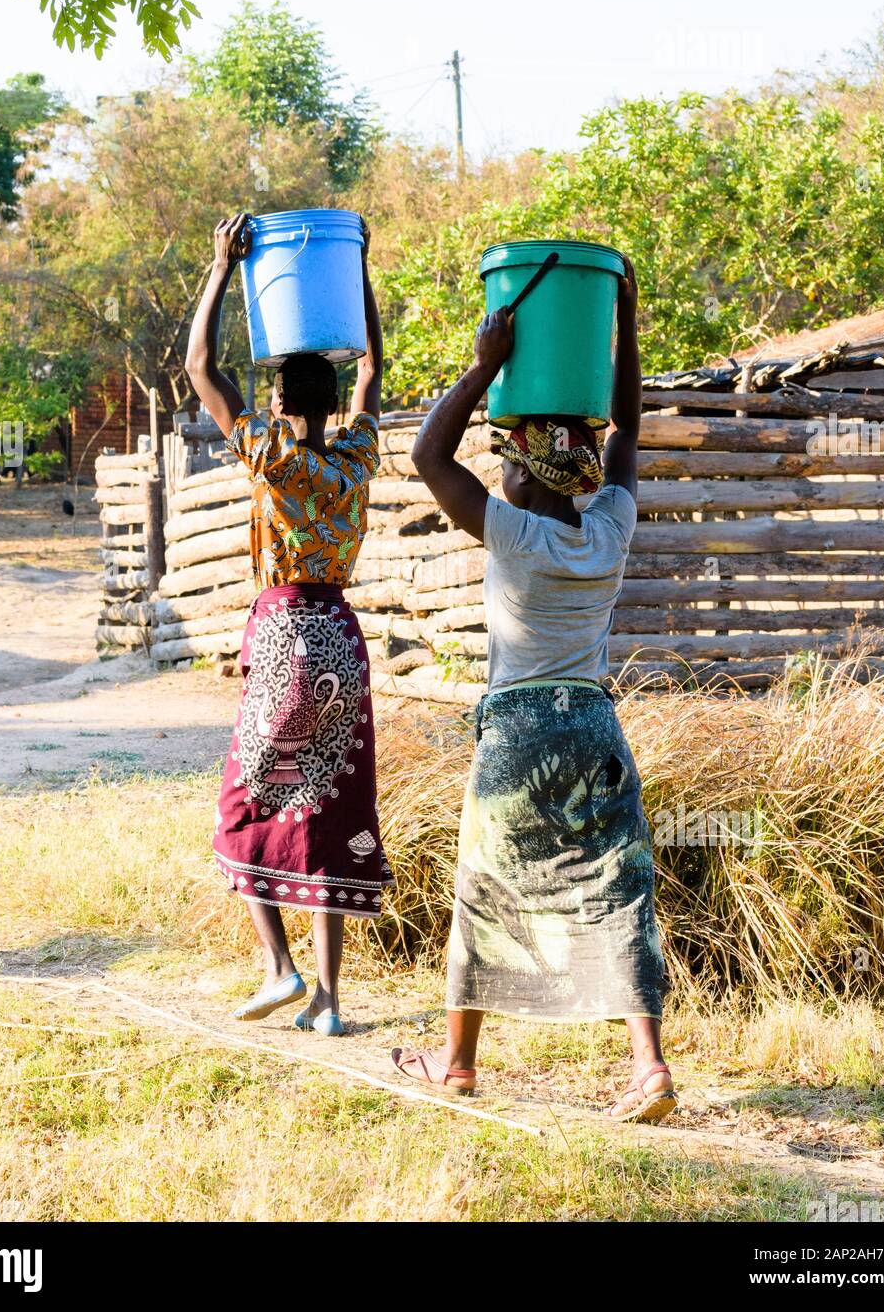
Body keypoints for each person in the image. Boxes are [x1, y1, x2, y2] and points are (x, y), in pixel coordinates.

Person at [392, 258, 675, 1122]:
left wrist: (483, 365)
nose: (501, 470)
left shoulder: (509, 534)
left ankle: (457, 1062)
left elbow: (424, 454)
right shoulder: (609, 528)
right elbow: (625, 428)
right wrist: (623, 318)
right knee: (619, 888)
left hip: (516, 735)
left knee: (485, 888)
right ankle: (649, 1068)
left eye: (510, 460)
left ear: (528, 479)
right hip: (592, 726)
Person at [184, 211, 391, 1038]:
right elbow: (377, 363)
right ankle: (330, 1001)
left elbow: (200, 365)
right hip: (341, 634)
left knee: (250, 801)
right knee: (327, 804)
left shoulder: (271, 452)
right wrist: (359, 269)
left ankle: (278, 969)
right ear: (337, 401)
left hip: (281, 637)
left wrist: (223, 268)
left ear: (277, 399)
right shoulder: (356, 454)